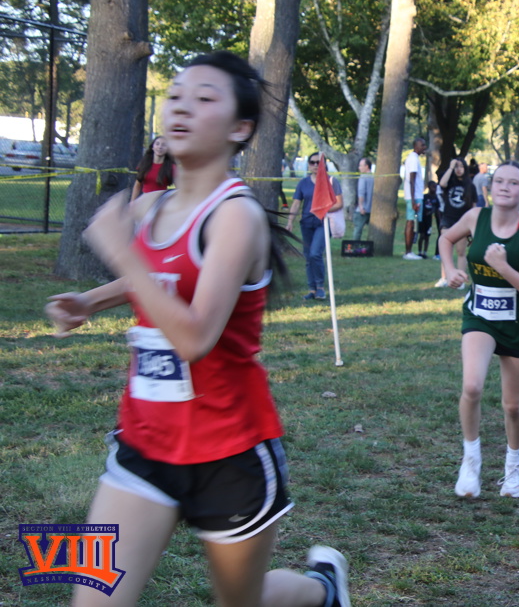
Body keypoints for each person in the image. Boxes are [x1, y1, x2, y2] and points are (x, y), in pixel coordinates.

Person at [44, 51, 350, 607]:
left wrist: (118, 250)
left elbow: (194, 337)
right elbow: (159, 275)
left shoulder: (236, 216)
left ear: (240, 128)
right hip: (145, 441)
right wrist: (89, 301)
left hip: (229, 451)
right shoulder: (150, 208)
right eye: (176, 96)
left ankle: (321, 590)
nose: (182, 107)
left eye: (205, 99)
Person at [439, 161, 519, 499]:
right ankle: (471, 461)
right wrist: (450, 269)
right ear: (490, 186)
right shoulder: (476, 217)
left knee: (512, 405)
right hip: (479, 317)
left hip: (515, 323)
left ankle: (514, 465)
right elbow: (445, 238)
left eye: (513, 183)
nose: (504, 187)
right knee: (472, 387)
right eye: (499, 181)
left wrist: (502, 267)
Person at [286, 152, 344, 300]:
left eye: (319, 162)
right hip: (306, 223)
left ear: (324, 164)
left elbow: (339, 203)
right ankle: (311, 289)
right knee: (308, 256)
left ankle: (320, 288)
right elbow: (296, 203)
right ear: (309, 165)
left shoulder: (331, 181)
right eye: (312, 162)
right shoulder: (303, 183)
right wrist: (290, 222)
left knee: (315, 253)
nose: (316, 165)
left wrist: (322, 210)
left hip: (323, 223)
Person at [435, 157, 476, 288]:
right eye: (456, 167)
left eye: (461, 166)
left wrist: (472, 228)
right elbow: (442, 184)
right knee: (445, 250)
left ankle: (460, 280)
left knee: (460, 252)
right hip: (448, 219)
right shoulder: (450, 182)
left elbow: (474, 207)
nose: (459, 169)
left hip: (462, 221)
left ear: (465, 168)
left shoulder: (470, 186)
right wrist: (451, 166)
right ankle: (444, 278)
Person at [402, 138, 427, 260]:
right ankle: (408, 252)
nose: (424, 147)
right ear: (416, 146)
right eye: (422, 145)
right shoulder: (412, 159)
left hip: (416, 195)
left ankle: (410, 251)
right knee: (411, 222)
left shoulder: (415, 158)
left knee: (413, 223)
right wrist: (413, 200)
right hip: (414, 196)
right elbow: (411, 180)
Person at [130, 135, 175, 201]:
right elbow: (137, 185)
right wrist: (132, 202)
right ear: (152, 147)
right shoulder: (144, 165)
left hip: (161, 202)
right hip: (145, 201)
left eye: (164, 145)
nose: (160, 147)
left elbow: (179, 187)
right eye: (157, 144)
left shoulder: (172, 167)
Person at [352, 157, 373, 241]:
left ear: (366, 166)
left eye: (361, 165)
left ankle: (354, 246)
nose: (359, 168)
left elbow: (361, 192)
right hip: (372, 209)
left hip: (363, 209)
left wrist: (361, 207)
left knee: (358, 230)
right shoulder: (374, 177)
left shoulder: (363, 177)